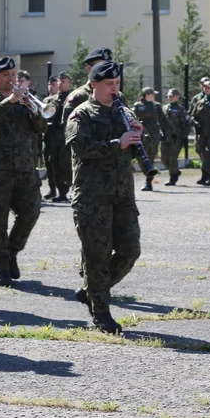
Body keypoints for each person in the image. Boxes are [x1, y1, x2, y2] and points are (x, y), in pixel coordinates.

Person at [66, 60, 141, 334]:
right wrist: (116, 143)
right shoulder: (81, 114)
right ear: (94, 85)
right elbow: (82, 147)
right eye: (109, 84)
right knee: (96, 255)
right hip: (92, 197)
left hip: (122, 195)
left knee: (130, 250)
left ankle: (93, 290)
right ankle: (101, 311)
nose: (114, 89)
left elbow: (134, 151)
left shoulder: (124, 111)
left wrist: (138, 136)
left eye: (117, 84)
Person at [0, 57, 46, 287]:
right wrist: (9, 101)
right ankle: (1, 268)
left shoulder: (25, 99)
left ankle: (11, 251)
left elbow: (41, 128)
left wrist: (34, 110)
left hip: (25, 170)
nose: (11, 79)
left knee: (31, 212)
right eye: (6, 75)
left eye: (14, 75)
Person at [44, 73, 73, 202]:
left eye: (63, 81)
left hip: (67, 137)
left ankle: (71, 187)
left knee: (67, 164)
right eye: (59, 81)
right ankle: (61, 192)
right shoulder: (50, 100)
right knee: (54, 164)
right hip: (53, 137)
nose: (60, 83)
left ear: (69, 84)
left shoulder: (74, 98)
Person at [133, 87, 167, 191]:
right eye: (152, 94)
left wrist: (167, 132)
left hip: (154, 136)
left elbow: (163, 120)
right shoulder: (137, 106)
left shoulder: (156, 106)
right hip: (141, 134)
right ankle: (146, 172)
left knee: (150, 158)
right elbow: (132, 118)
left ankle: (148, 182)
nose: (154, 96)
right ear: (146, 95)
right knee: (140, 157)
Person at [160, 89, 190, 186]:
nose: (170, 98)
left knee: (172, 158)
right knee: (164, 159)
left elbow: (186, 124)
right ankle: (175, 171)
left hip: (176, 137)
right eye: (169, 96)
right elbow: (160, 121)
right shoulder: (164, 108)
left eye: (172, 96)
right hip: (165, 137)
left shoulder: (181, 109)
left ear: (177, 97)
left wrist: (184, 137)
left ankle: (172, 178)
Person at [42, 76, 59, 199]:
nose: (50, 87)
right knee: (48, 164)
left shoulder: (61, 99)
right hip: (47, 135)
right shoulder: (46, 100)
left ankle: (62, 190)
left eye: (53, 84)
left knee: (58, 164)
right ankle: (52, 189)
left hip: (58, 136)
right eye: (49, 84)